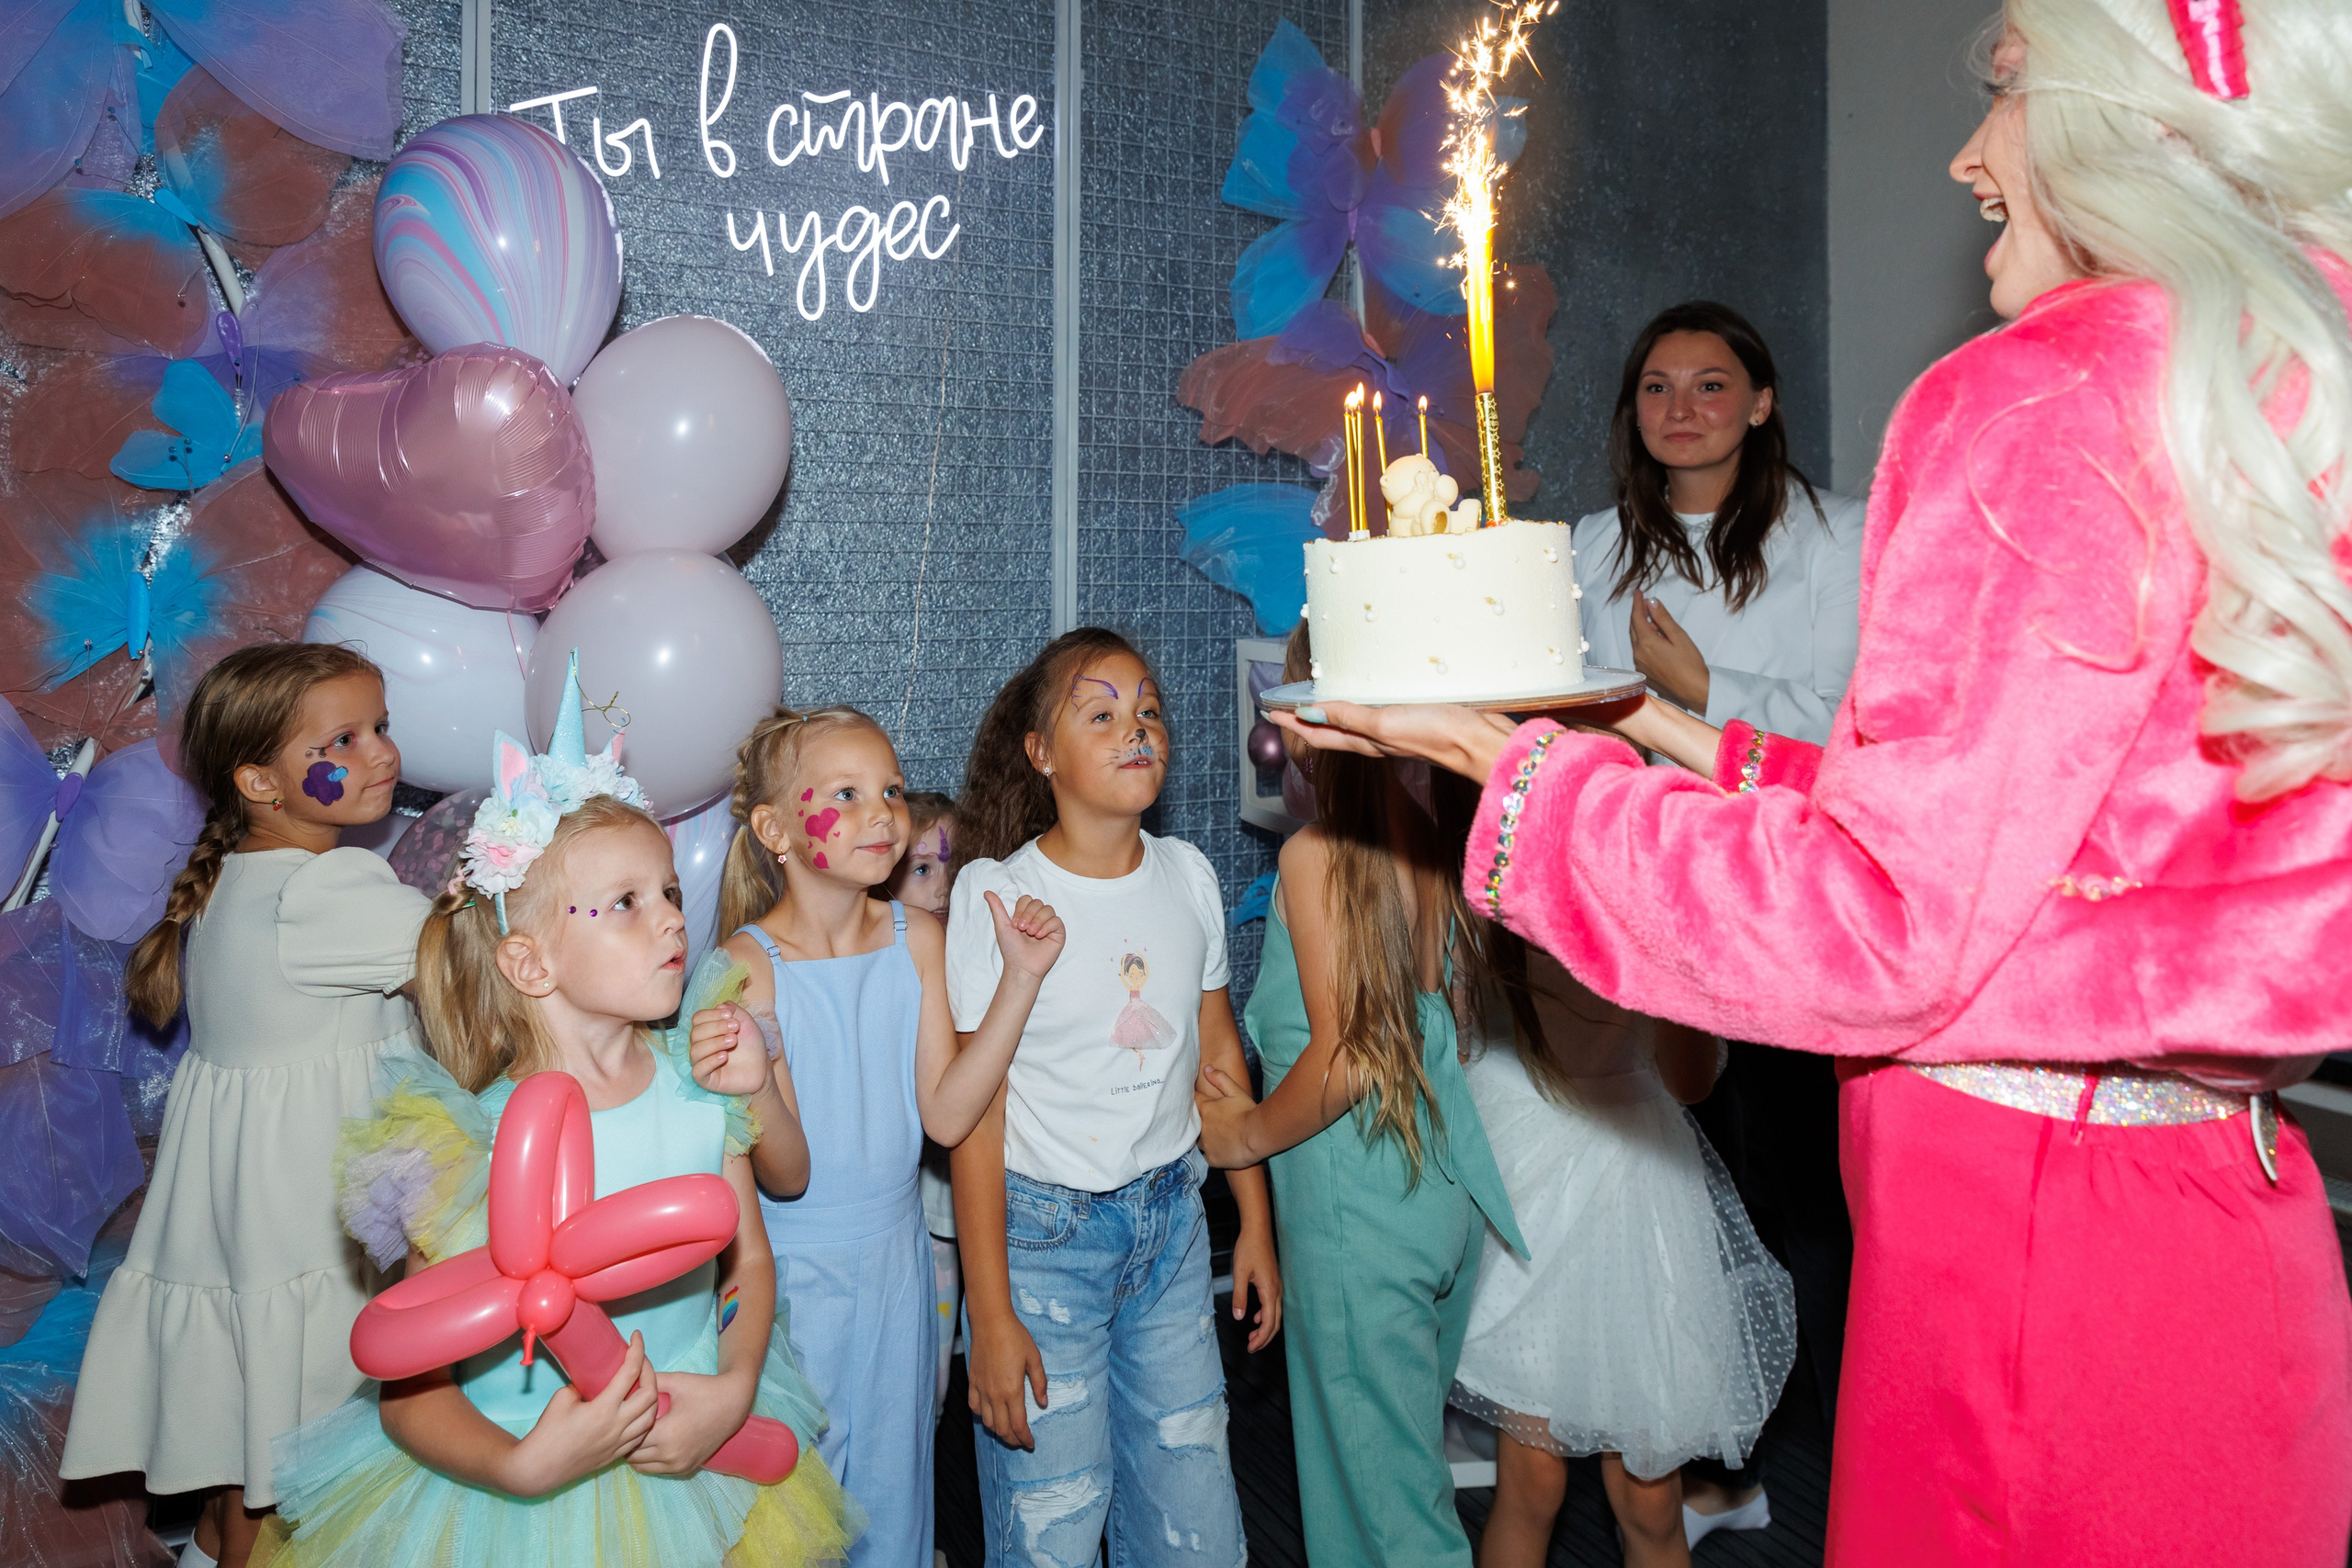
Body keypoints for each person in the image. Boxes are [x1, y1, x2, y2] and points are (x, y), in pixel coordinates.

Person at [1272, 2, 2352, 1561]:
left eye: (2007, 98)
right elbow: (2031, 820)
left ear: (2136, 121)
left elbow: (1889, 919)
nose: (1972, 160)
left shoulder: (2042, 401)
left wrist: (1513, 779)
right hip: (2223, 1209)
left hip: (2027, 1263)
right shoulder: (2261, 400)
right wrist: (1672, 726)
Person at [254, 660, 857, 1567]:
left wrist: (734, 1393)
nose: (668, 923)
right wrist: (521, 1468)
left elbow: (747, 1268)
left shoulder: (704, 1089)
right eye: (623, 904)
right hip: (514, 1509)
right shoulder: (463, 1145)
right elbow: (411, 1388)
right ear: (530, 964)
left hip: (693, 1464)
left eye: (666, 892)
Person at [1577, 299, 1867, 1525]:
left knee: (1802, 1191)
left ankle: (1847, 1452)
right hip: (1645, 902)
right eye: (1656, 387)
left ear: (1762, 402)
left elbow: (1862, 724)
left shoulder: (1840, 537)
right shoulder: (1591, 547)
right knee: (1677, 1186)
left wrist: (1711, 692)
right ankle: (1706, 1454)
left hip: (1795, 902)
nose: (1681, 408)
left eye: (1710, 384)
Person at [62, 644, 424, 1568]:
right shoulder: (328, 888)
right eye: (343, 738)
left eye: (380, 726)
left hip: (244, 1212)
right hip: (319, 1215)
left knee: (250, 1457)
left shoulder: (227, 879)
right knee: (304, 1452)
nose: (380, 753)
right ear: (259, 779)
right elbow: (472, 957)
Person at [947, 627, 1278, 1568]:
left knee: (1196, 1513)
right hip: (1039, 1246)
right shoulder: (997, 898)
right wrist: (992, 1309)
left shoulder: (1189, 876)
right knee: (1051, 1516)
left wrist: (1252, 1218)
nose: (1136, 730)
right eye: (1101, 714)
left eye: (1148, 712)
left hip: (1172, 1226)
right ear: (1041, 753)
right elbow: (975, 1120)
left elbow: (1219, 1065)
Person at [1192, 626, 1522, 1568]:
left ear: (1306, 721)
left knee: (1391, 1513)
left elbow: (1348, 1057)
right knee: (1389, 1476)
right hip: (1437, 1193)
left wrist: (1246, 1135)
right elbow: (1442, 1022)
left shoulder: (1316, 854)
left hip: (1358, 1207)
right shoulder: (1430, 836)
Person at [700, 711, 1060, 1567]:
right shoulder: (747, 966)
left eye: (891, 790)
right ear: (776, 829)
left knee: (895, 1502)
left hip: (898, 1269)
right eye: (847, 794)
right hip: (793, 1281)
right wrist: (754, 1080)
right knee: (798, 1499)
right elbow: (784, 1174)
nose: (882, 812)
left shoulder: (918, 939)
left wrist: (1020, 980)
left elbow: (944, 1113)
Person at [1452, 937, 1793, 1568]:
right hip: (1532, 1176)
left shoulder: (1657, 890)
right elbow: (1462, 1027)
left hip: (1637, 1185)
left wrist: (1670, 953)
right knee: (1533, 1479)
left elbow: (1690, 1081)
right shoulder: (1502, 867)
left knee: (1648, 1495)